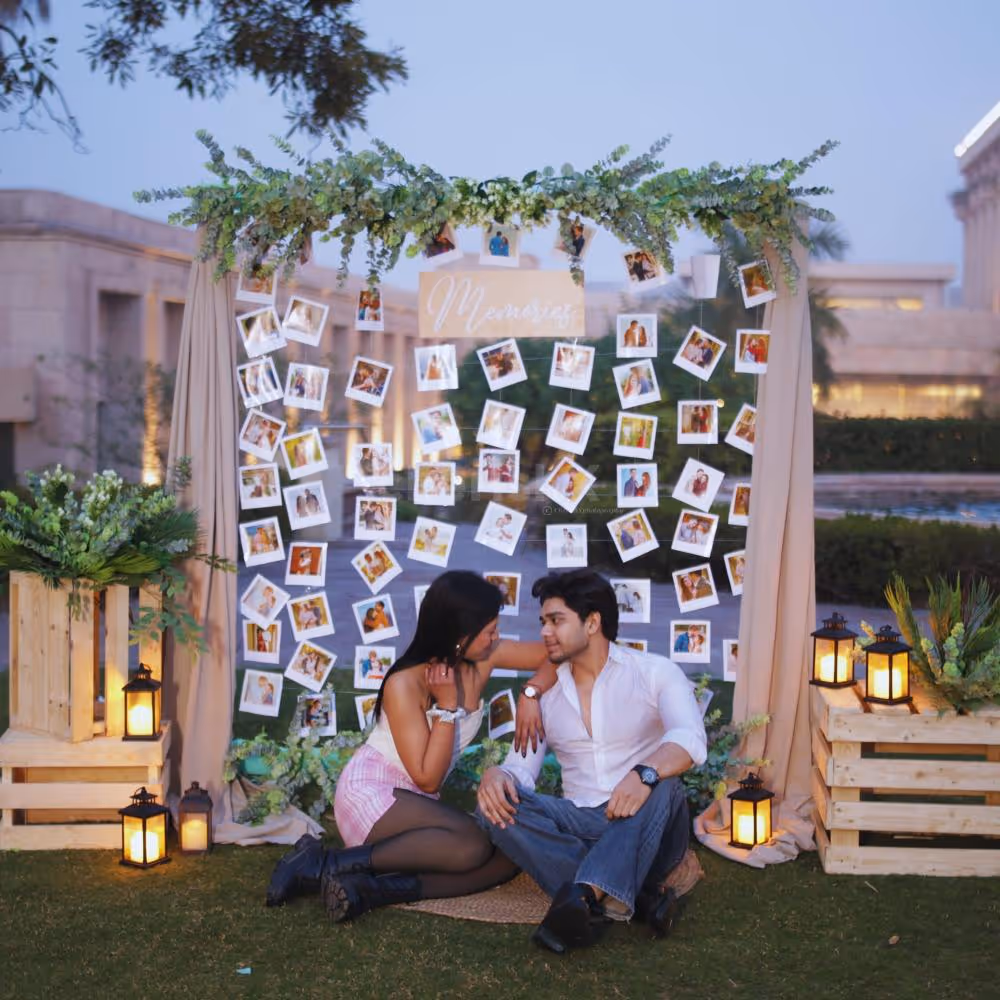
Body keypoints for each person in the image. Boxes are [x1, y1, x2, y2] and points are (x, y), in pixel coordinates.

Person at [266, 572, 556, 916]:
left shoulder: (485, 655)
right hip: (373, 794)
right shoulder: (405, 683)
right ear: (460, 635)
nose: (497, 637)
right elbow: (427, 779)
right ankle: (324, 862)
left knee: (509, 851)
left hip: (417, 807)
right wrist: (447, 707)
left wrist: (531, 692)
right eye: (490, 629)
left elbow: (558, 654)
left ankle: (371, 890)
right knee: (473, 843)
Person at [476, 570, 706, 952]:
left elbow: (689, 739)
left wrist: (644, 774)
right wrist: (495, 774)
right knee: (493, 805)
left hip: (646, 820)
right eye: (543, 622)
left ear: (593, 622)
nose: (546, 632)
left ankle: (583, 892)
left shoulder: (653, 672)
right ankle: (627, 894)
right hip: (580, 822)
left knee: (665, 783)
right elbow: (521, 769)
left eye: (556, 621)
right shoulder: (546, 698)